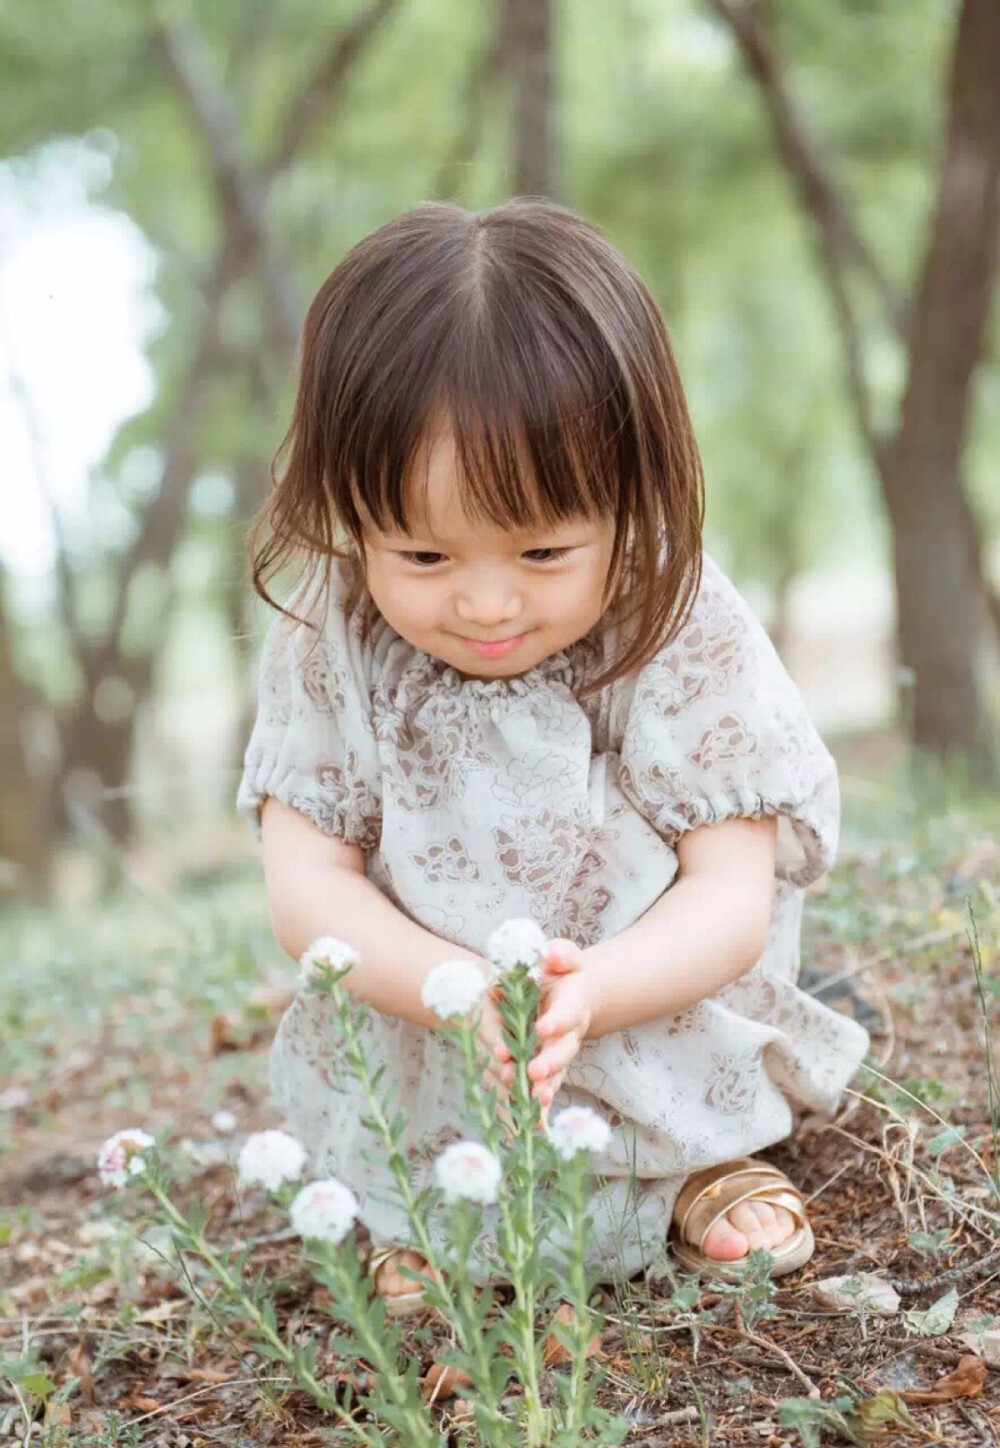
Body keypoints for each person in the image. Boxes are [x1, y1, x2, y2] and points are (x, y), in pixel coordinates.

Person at [237, 196, 871, 1314]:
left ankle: (694, 1161)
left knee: (674, 1070)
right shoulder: (330, 636)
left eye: (541, 548)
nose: (486, 600)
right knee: (407, 1153)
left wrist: (595, 993)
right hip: (429, 1020)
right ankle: (413, 1207)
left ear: (632, 493)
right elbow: (307, 884)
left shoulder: (673, 624)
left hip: (648, 995)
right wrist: (458, 990)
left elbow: (731, 888)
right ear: (349, 509)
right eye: (423, 552)